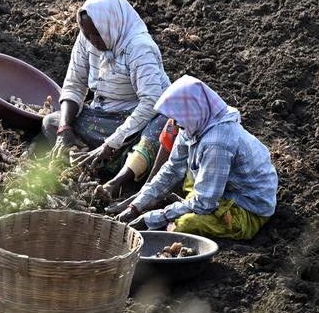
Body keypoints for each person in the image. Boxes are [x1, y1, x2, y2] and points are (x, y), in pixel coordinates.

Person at [43, 0, 172, 200]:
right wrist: (64, 129)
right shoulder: (86, 40)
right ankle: (90, 161)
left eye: (98, 34)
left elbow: (152, 103)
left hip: (138, 124)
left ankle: (118, 181)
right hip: (104, 119)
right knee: (51, 121)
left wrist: (112, 143)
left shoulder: (139, 48)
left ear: (111, 26)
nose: (93, 41)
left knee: (164, 125)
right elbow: (74, 85)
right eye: (88, 35)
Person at [117, 76, 278, 240]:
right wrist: (136, 205)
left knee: (184, 225)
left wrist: (152, 218)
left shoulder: (217, 142)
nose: (176, 124)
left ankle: (182, 211)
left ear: (192, 110)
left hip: (246, 208)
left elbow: (205, 202)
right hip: (220, 193)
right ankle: (181, 206)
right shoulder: (194, 123)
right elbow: (172, 169)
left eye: (178, 117)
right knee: (187, 178)